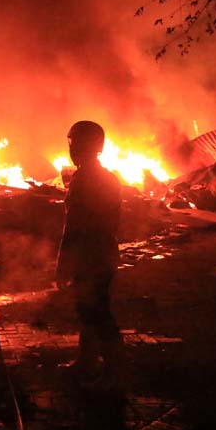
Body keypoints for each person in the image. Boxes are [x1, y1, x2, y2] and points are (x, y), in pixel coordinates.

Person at [55, 120, 125, 389]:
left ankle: (113, 370)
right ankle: (88, 361)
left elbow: (73, 227)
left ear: (78, 145)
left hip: (88, 256)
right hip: (105, 252)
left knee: (96, 312)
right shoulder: (110, 178)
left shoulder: (83, 181)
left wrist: (63, 263)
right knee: (90, 309)